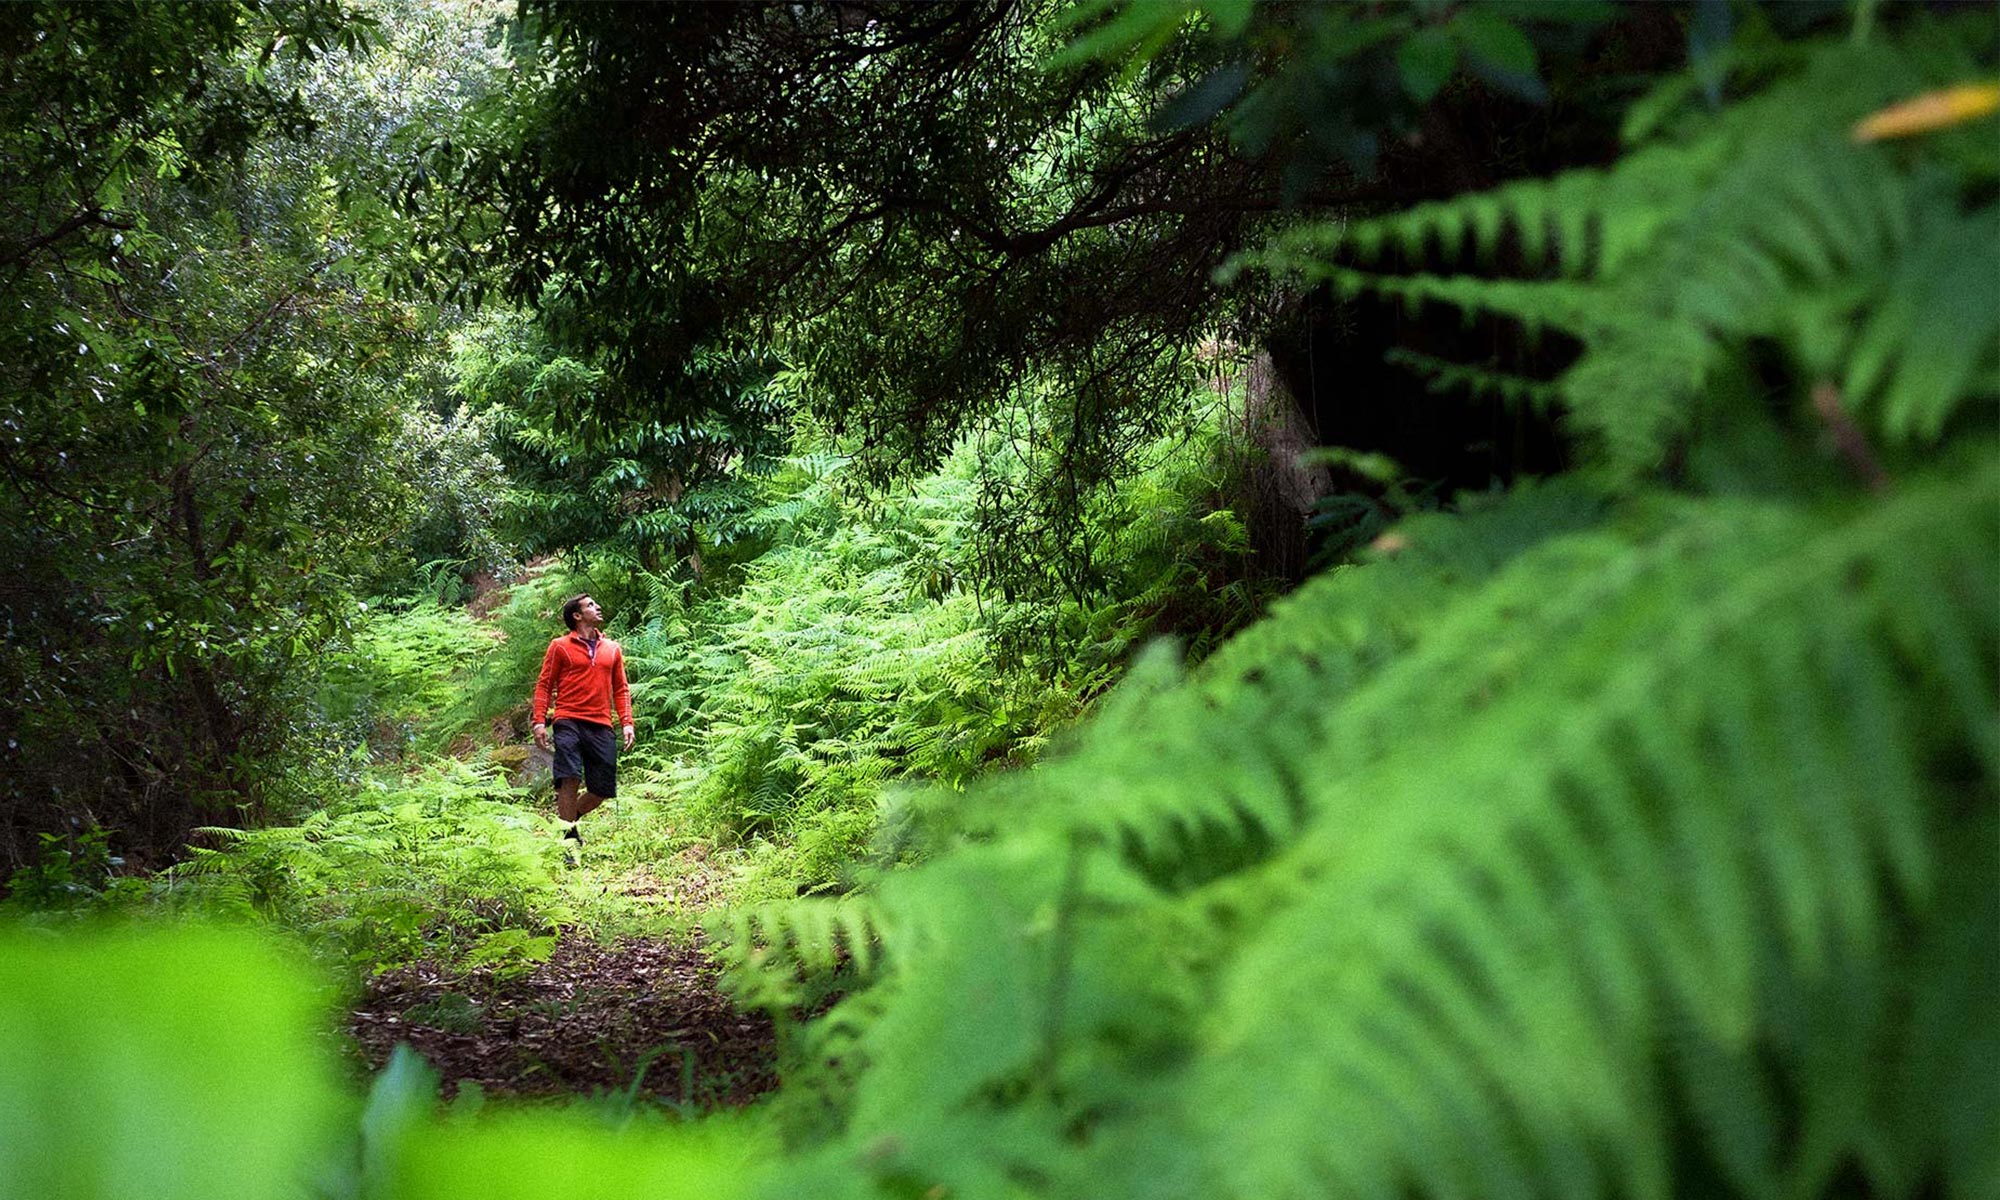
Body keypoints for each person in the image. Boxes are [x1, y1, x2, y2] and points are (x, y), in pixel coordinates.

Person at [530, 593, 634, 849]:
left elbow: (621, 688)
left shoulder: (612, 649)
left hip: (601, 723)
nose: (597, 607)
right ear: (577, 616)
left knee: (602, 789)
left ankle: (569, 819)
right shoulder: (560, 646)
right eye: (590, 605)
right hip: (568, 719)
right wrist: (539, 721)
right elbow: (545, 685)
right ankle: (568, 840)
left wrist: (627, 722)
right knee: (570, 775)